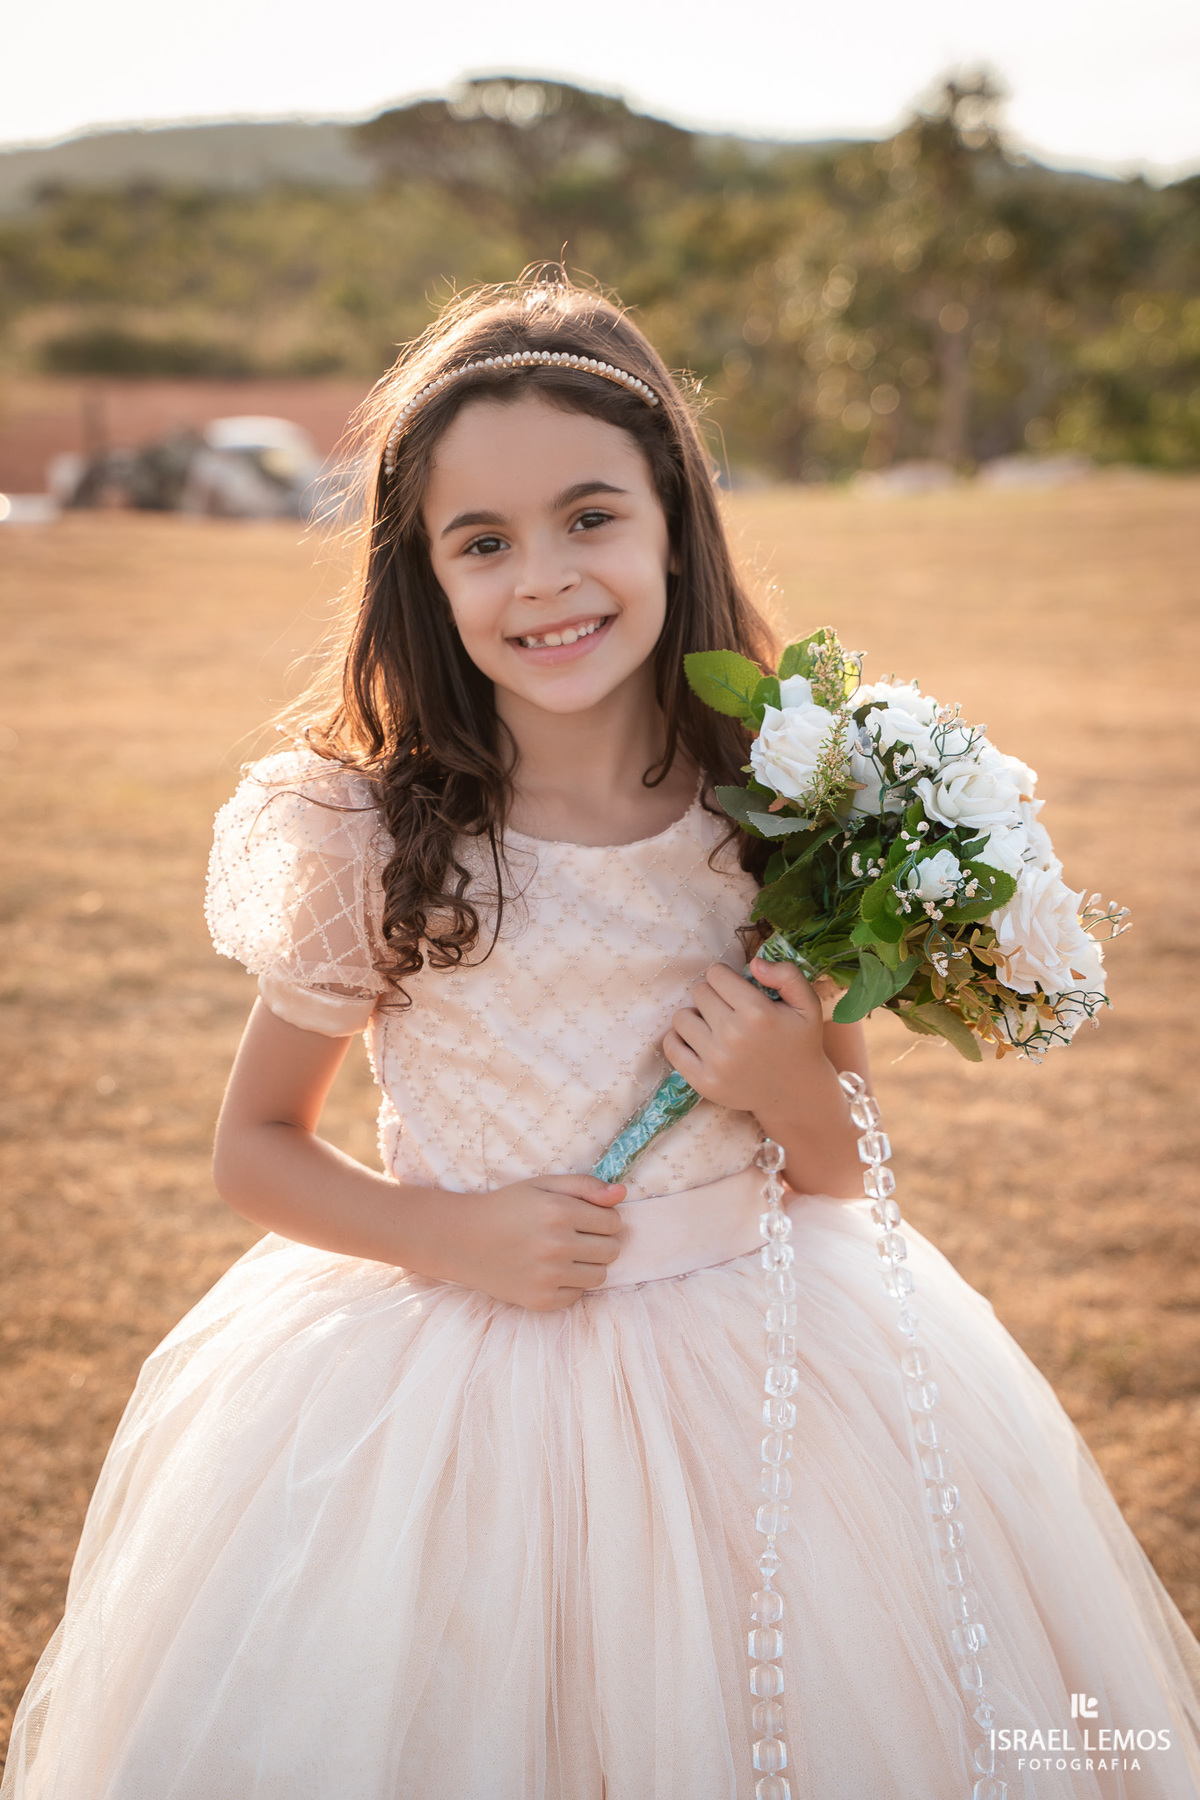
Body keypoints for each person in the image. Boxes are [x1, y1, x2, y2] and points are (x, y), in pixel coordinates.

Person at [5, 274, 1199, 1800]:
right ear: (422, 576)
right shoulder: (375, 836)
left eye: (590, 518)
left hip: (764, 1372)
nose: (545, 579)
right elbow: (254, 1149)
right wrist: (451, 1236)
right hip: (449, 1390)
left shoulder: (783, 816)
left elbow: (841, 1171)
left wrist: (784, 1085)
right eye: (481, 542)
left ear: (673, 527)